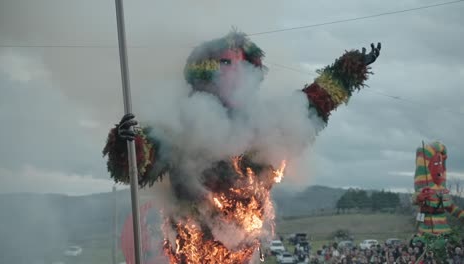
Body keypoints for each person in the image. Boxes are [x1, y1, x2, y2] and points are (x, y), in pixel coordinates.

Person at [103, 30, 382, 263]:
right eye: (228, 64)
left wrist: (350, 70)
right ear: (205, 73)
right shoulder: (179, 125)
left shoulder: (262, 124)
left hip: (243, 252)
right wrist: (126, 144)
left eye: (244, 66)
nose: (239, 73)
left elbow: (312, 105)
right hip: (192, 249)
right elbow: (138, 162)